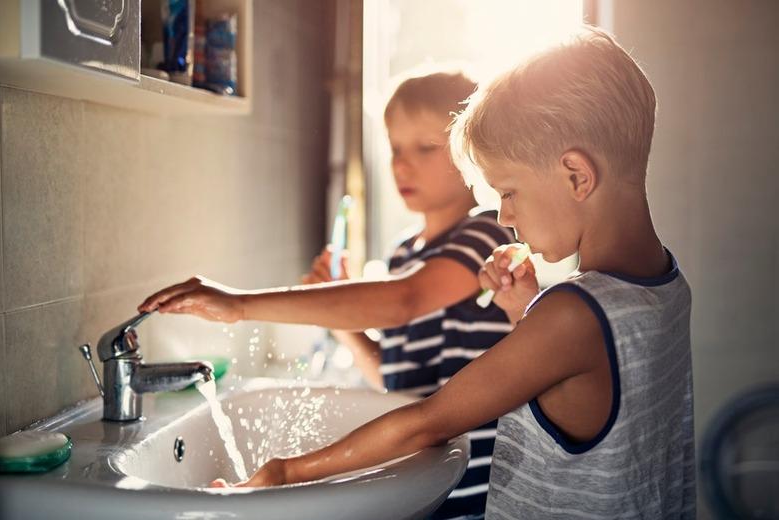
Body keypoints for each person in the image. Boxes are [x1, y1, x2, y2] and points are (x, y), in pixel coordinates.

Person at [141, 26, 696, 518]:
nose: (503, 215)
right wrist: (525, 314)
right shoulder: (664, 285)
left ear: (576, 175)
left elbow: (428, 421)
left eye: (508, 192)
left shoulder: (574, 314)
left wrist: (284, 474)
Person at [140, 69, 518, 519]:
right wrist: (341, 319)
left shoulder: (487, 233)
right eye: (395, 148)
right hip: (422, 477)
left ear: (468, 153)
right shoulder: (403, 254)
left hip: (474, 485)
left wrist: (239, 305)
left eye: (425, 148)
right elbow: (391, 377)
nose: (401, 164)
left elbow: (404, 301)